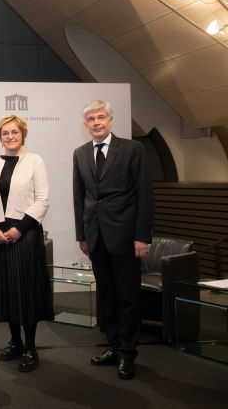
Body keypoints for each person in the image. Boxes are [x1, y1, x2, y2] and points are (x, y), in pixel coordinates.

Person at [73, 99, 152, 380]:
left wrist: (142, 236)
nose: (96, 122)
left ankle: (128, 354)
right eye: (91, 119)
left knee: (128, 296)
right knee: (106, 296)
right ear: (86, 124)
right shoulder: (80, 153)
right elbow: (79, 197)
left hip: (126, 236)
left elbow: (144, 194)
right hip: (95, 237)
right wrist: (82, 236)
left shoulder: (133, 149)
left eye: (101, 117)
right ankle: (114, 346)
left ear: (110, 120)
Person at [0, 115, 52, 373]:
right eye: (5, 133)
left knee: (25, 291)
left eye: (15, 132)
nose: (10, 137)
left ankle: (31, 346)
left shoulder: (35, 161)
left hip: (25, 233)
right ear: (0, 137)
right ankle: (15, 341)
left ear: (23, 134)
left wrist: (19, 229)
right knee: (7, 291)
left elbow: (42, 200)